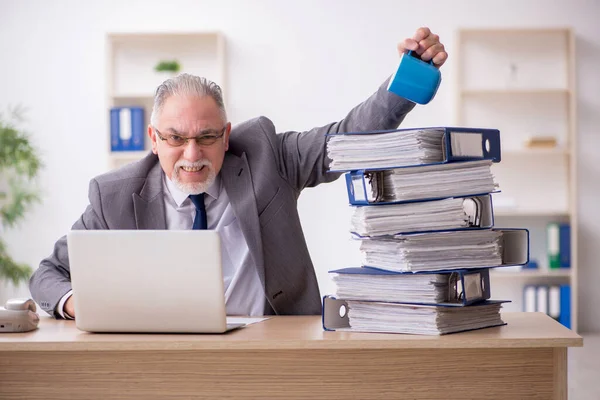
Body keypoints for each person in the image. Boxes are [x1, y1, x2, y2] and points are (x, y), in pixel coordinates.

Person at [29, 27, 448, 319]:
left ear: (227, 136)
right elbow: (48, 274)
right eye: (175, 139)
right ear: (153, 139)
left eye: (207, 137)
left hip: (273, 351)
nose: (192, 155)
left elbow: (345, 139)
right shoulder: (114, 196)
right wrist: (74, 302)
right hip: (164, 358)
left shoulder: (268, 155)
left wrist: (405, 81)